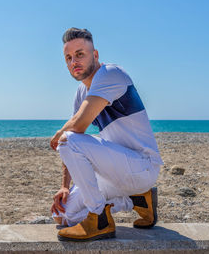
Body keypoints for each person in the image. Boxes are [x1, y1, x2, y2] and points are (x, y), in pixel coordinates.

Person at [50, 28, 164, 242]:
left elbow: (77, 128)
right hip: (118, 169)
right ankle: (138, 200)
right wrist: (65, 185)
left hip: (143, 166)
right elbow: (74, 135)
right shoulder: (81, 93)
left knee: (67, 138)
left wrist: (60, 132)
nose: (74, 61)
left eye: (80, 54)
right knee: (63, 214)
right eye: (68, 57)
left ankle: (100, 220)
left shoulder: (111, 74)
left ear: (95, 55)